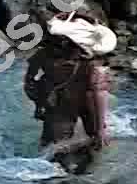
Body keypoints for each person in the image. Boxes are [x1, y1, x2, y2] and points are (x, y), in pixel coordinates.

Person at [24, 12, 116, 174]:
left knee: (52, 147)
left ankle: (70, 171)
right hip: (68, 101)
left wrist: (39, 102)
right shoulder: (93, 64)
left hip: (63, 101)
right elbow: (99, 93)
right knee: (87, 139)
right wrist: (101, 128)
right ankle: (82, 168)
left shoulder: (46, 54)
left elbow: (30, 81)